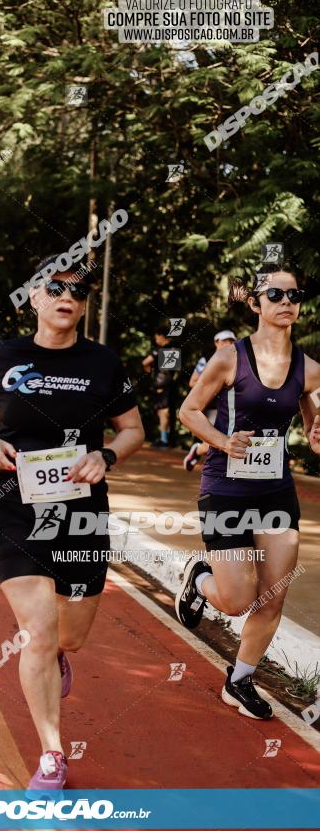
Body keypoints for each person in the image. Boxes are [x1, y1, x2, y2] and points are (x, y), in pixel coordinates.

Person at [0, 255, 144, 789]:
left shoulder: (104, 363)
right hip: (15, 506)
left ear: (85, 304)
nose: (69, 296)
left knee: (72, 634)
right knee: (36, 634)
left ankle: (61, 654)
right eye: (57, 287)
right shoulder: (6, 355)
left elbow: (132, 429)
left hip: (81, 511)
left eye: (79, 291)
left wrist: (106, 458)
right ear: (35, 297)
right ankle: (52, 753)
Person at [175, 264, 320, 720]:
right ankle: (200, 577)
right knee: (238, 599)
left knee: (273, 594)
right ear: (255, 303)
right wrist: (221, 440)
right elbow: (189, 410)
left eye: (294, 295)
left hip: (276, 493)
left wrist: (315, 430)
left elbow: (311, 412)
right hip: (226, 489)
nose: (286, 302)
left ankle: (239, 680)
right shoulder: (229, 358)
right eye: (274, 294)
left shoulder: (310, 368)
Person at [183, 330, 237, 471]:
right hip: (212, 407)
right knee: (214, 443)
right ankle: (199, 452)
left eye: (231, 341)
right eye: (224, 341)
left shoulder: (238, 360)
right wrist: (213, 387)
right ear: (216, 342)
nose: (228, 344)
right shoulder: (206, 359)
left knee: (229, 441)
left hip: (231, 408)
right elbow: (192, 381)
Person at [142, 326, 179, 447]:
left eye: (156, 337)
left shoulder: (160, 350)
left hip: (162, 385)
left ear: (161, 336)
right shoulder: (175, 349)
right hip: (170, 385)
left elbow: (145, 362)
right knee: (166, 412)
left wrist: (149, 372)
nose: (156, 340)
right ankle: (168, 438)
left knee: (163, 412)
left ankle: (164, 439)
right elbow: (172, 371)